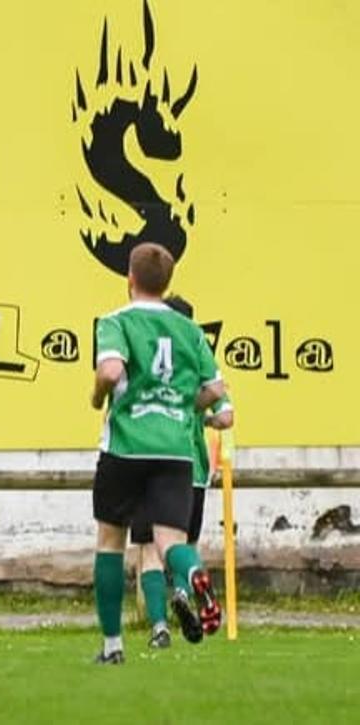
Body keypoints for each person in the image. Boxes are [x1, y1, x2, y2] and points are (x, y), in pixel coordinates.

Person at [89, 243, 225, 664]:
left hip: (127, 446)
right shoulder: (190, 332)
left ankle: (112, 647)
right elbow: (216, 389)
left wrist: (97, 396)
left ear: (129, 278)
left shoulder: (116, 321)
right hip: (174, 451)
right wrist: (185, 405)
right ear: (167, 283)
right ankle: (193, 574)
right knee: (169, 541)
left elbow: (111, 371)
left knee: (111, 542)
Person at [130, 295, 235, 649]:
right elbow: (226, 415)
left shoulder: (147, 355)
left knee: (148, 549)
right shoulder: (199, 358)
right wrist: (199, 415)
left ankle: (160, 626)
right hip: (191, 468)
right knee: (184, 543)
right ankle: (185, 587)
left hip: (147, 462)